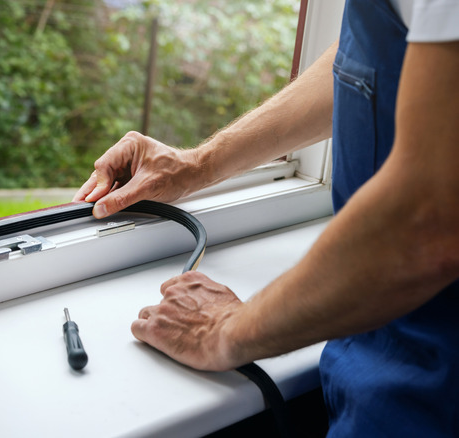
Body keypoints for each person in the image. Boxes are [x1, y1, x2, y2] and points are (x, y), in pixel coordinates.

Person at [73, 0, 459, 435]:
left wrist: (224, 330)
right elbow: (375, 54)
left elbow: (426, 221)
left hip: (430, 393)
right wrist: (197, 165)